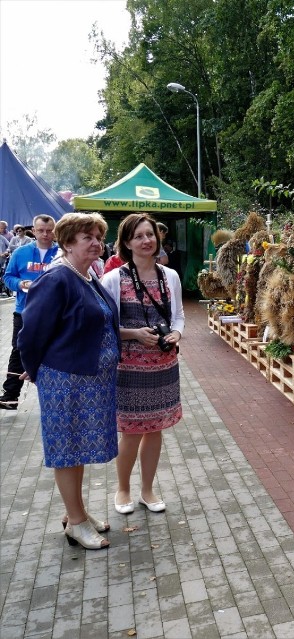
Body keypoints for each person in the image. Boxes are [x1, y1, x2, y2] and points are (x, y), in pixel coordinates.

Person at [17, 212, 120, 550]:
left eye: (98, 236)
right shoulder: (57, 278)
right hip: (65, 381)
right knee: (66, 450)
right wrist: (37, 371)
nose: (96, 243)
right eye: (87, 237)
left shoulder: (86, 274)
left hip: (87, 380)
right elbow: (29, 334)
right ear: (68, 242)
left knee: (78, 448)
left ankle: (77, 512)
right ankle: (75, 522)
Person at [101, 213, 184, 515]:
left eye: (150, 234)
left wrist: (176, 333)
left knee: (155, 429)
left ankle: (147, 490)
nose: (146, 240)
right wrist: (134, 334)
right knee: (132, 431)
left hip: (163, 366)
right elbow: (104, 325)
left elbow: (178, 316)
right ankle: (123, 489)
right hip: (129, 367)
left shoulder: (169, 276)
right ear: (126, 242)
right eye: (138, 236)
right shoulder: (113, 279)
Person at [1, 215, 59, 410]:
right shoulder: (20, 253)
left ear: (55, 231)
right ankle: (10, 396)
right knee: (18, 351)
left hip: (53, 313)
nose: (45, 234)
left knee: (53, 351)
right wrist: (19, 284)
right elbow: (8, 277)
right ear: (32, 231)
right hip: (23, 310)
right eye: (41, 230)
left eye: (49, 230)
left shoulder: (61, 253)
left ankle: (55, 396)